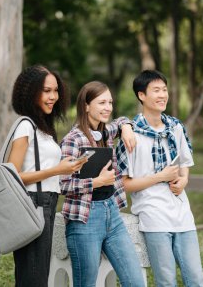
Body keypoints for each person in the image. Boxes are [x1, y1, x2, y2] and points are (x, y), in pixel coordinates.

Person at [116, 70, 203, 287]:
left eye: (164, 90)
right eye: (156, 90)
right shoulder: (131, 135)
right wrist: (160, 177)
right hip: (153, 215)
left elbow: (184, 163)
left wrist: (183, 180)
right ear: (141, 95)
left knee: (195, 278)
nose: (162, 95)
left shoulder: (175, 128)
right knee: (166, 281)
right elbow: (125, 184)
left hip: (182, 212)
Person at [60, 81, 145, 287]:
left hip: (112, 215)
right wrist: (96, 182)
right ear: (86, 106)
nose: (108, 107)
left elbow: (123, 119)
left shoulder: (105, 131)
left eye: (110, 102)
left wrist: (125, 128)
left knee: (136, 281)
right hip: (85, 220)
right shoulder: (73, 139)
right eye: (101, 102)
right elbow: (62, 184)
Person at [8, 65, 87, 287]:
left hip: (47, 204)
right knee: (34, 278)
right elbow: (12, 175)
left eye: (55, 90)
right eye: (46, 91)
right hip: (33, 204)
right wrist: (57, 170)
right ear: (30, 93)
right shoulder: (26, 125)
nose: (53, 96)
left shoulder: (44, 128)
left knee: (37, 275)